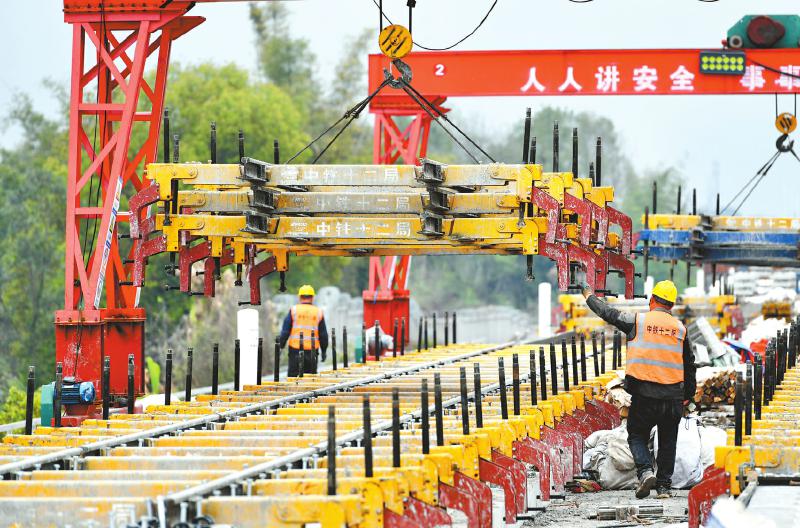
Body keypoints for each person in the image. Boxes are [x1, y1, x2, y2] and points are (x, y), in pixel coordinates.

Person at [581, 279, 696, 500]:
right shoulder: (680, 329)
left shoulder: (638, 322)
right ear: (671, 305)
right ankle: (664, 487)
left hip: (645, 394)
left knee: (636, 434)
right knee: (668, 441)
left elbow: (608, 313)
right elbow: (689, 365)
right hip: (673, 396)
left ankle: (645, 472)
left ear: (652, 300)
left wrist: (589, 296)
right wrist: (688, 396)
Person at [279, 285, 328, 376]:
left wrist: (281, 346)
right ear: (312, 297)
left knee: (293, 378)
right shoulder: (318, 312)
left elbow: (285, 331)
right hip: (312, 351)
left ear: (299, 297)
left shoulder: (294, 310)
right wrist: (324, 351)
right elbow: (323, 335)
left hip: (295, 350)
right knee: (310, 378)